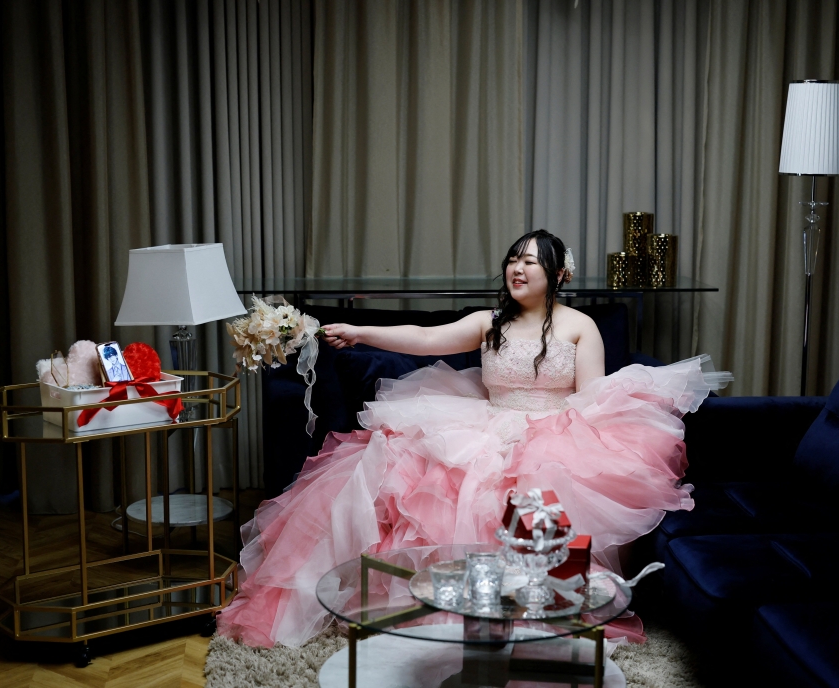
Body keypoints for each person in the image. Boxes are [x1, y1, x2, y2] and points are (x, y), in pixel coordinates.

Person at [217, 230, 731, 648]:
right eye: (513, 259)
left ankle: (535, 605)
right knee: (395, 468)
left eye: (532, 262)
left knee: (536, 501)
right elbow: (424, 338)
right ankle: (419, 599)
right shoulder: (489, 322)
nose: (518, 268)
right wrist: (359, 330)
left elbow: (592, 398)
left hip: (553, 431)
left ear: (559, 274)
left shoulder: (580, 327)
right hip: (484, 421)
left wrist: (561, 445)